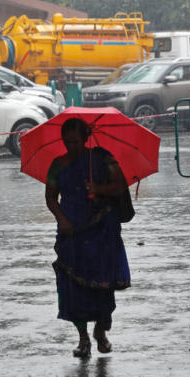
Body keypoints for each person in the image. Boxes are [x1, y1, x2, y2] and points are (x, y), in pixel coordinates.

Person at [45, 117, 131, 358]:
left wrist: (98, 189)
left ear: (85, 139)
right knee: (73, 289)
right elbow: (51, 196)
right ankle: (83, 339)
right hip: (71, 233)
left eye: (75, 141)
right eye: (67, 142)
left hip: (101, 232)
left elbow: (120, 185)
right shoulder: (58, 165)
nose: (71, 146)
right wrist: (62, 219)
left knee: (104, 288)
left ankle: (101, 332)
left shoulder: (102, 159)